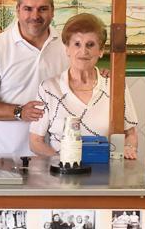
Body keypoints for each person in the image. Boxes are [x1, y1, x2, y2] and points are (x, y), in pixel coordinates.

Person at [0, 0, 69, 157]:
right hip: (8, 159)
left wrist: (101, 76)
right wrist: (19, 112)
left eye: (43, 9)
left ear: (53, 12)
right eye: (28, 8)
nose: (35, 15)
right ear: (17, 10)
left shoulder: (67, 46)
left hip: (58, 158)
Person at [28, 13, 138, 160]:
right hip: (62, 177)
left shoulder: (115, 86)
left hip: (107, 176)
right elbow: (35, 142)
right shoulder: (48, 88)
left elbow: (130, 134)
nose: (84, 51)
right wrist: (60, 161)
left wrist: (129, 148)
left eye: (90, 45)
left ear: (100, 51)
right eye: (77, 44)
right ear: (67, 49)